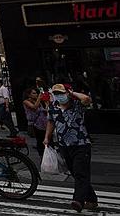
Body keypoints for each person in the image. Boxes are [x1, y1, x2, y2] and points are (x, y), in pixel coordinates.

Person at [45, 84, 97, 212]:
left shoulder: (77, 105)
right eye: (56, 93)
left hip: (81, 144)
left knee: (80, 172)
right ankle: (92, 199)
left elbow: (87, 99)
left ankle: (78, 200)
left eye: (61, 93)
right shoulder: (53, 107)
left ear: (67, 93)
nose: (59, 96)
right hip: (64, 145)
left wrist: (73, 93)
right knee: (76, 173)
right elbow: (51, 122)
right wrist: (47, 137)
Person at [22, 87, 48, 156]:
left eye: (36, 93)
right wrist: (39, 98)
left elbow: (43, 109)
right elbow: (34, 107)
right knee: (40, 142)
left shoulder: (38, 101)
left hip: (44, 124)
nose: (36, 94)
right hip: (35, 124)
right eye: (33, 93)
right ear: (28, 94)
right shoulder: (26, 101)